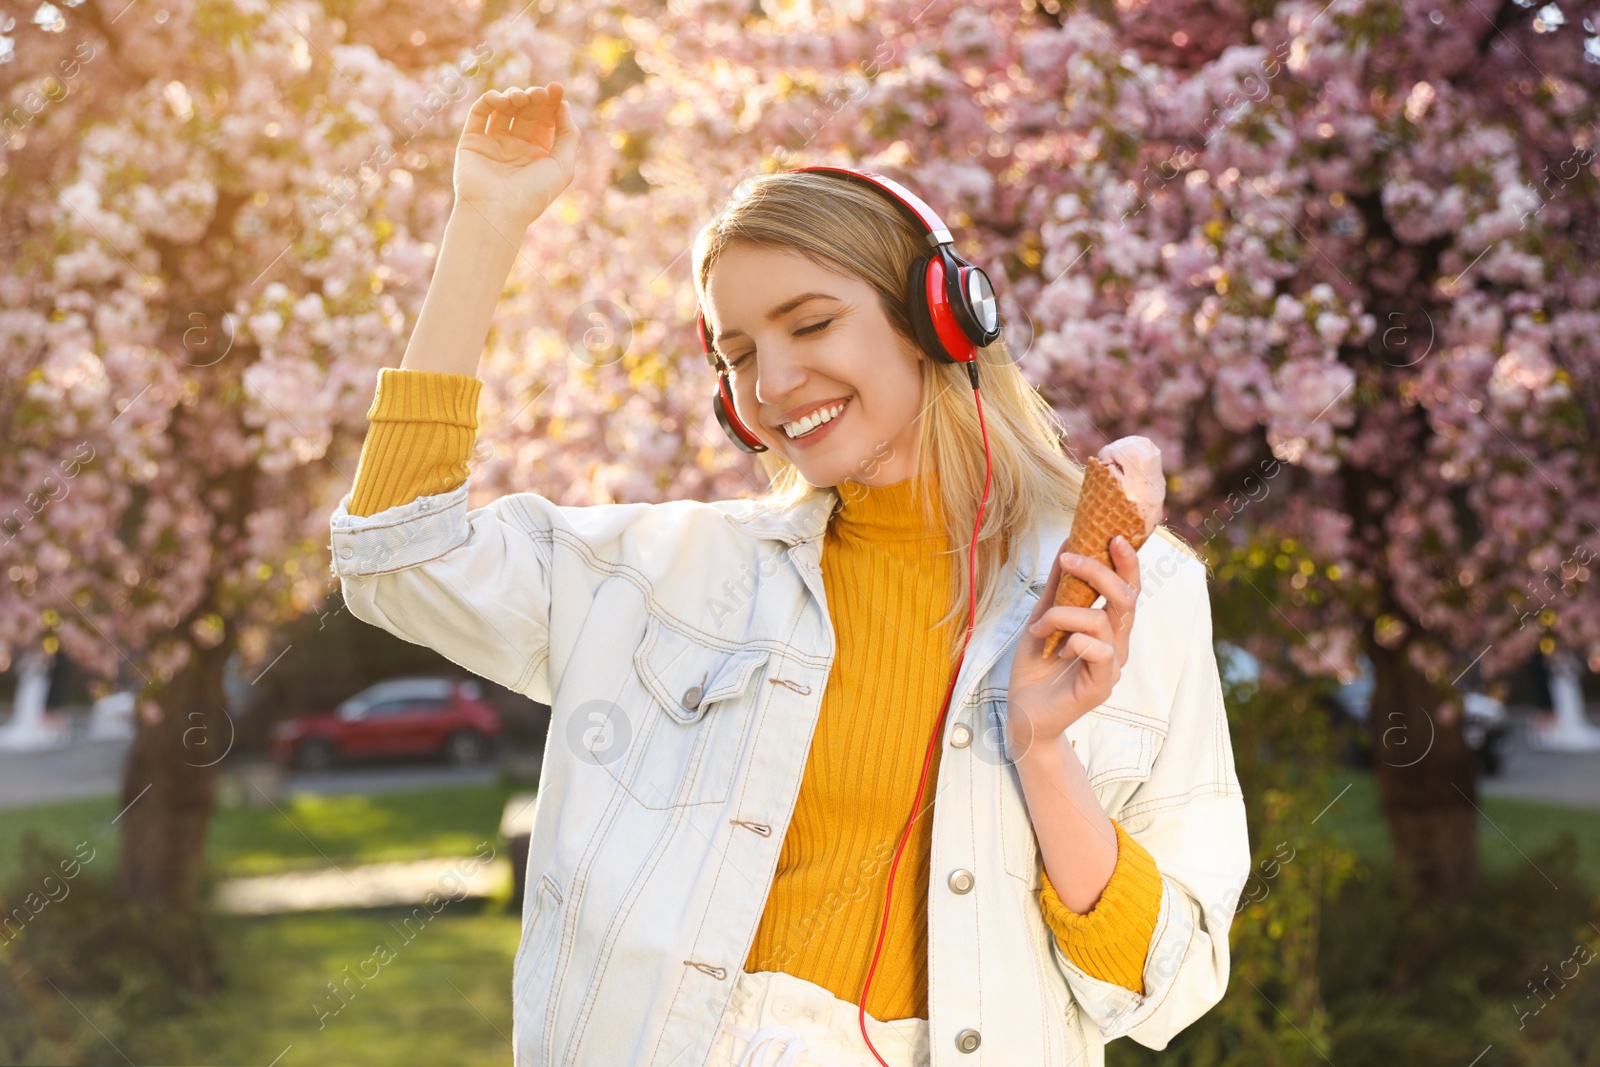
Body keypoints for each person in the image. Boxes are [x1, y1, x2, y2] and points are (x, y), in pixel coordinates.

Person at [329, 83, 1251, 1067]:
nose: (768, 384)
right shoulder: (664, 575)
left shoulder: (1125, 591)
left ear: (937, 317)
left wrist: (1040, 747)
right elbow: (397, 552)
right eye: (737, 353)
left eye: (809, 325)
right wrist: (486, 221)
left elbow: (1165, 982)